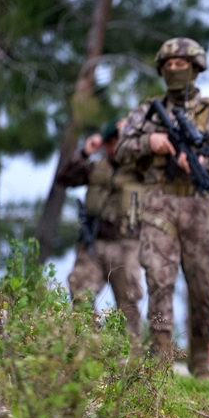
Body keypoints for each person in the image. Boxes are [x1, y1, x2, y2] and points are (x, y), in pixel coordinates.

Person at [115, 38, 209, 377]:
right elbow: (121, 149)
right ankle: (161, 357)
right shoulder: (147, 111)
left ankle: (200, 358)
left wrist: (204, 162)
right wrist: (151, 141)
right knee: (159, 280)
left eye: (182, 64)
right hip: (159, 203)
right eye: (169, 65)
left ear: (196, 68)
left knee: (203, 285)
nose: (175, 70)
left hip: (200, 205)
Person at [56, 119, 145, 341]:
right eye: (111, 142)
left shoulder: (142, 169)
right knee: (80, 290)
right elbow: (64, 178)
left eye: (119, 141)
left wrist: (135, 135)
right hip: (93, 245)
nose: (114, 147)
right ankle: (91, 344)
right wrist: (85, 152)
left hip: (126, 246)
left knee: (128, 303)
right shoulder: (95, 167)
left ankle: (132, 354)